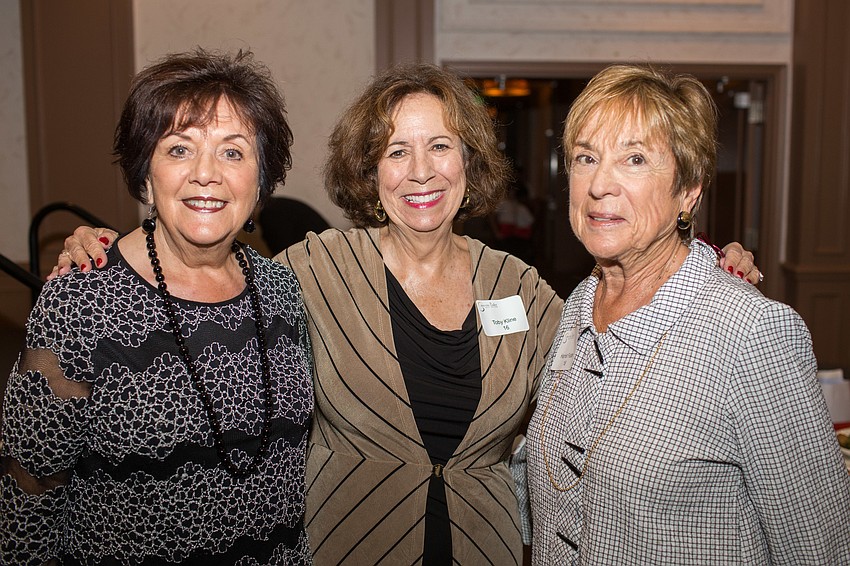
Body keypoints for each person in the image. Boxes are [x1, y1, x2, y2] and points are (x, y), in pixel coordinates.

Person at [47, 63, 760, 564]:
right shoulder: (312, 271)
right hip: (350, 547)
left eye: (440, 146)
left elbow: (616, 331)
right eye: (397, 151)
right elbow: (205, 269)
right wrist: (106, 247)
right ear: (370, 170)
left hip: (484, 551)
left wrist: (706, 261)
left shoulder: (524, 289)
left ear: (468, 162)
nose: (420, 172)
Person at [526, 64, 850, 564]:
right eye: (586, 158)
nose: (599, 185)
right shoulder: (577, 307)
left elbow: (819, 545)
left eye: (634, 159)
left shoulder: (751, 333)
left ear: (689, 190)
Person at [0, 49, 313, 564]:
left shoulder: (282, 287)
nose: (206, 174)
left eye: (233, 152)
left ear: (261, 181)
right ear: (146, 175)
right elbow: (30, 487)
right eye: (179, 150)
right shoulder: (81, 299)